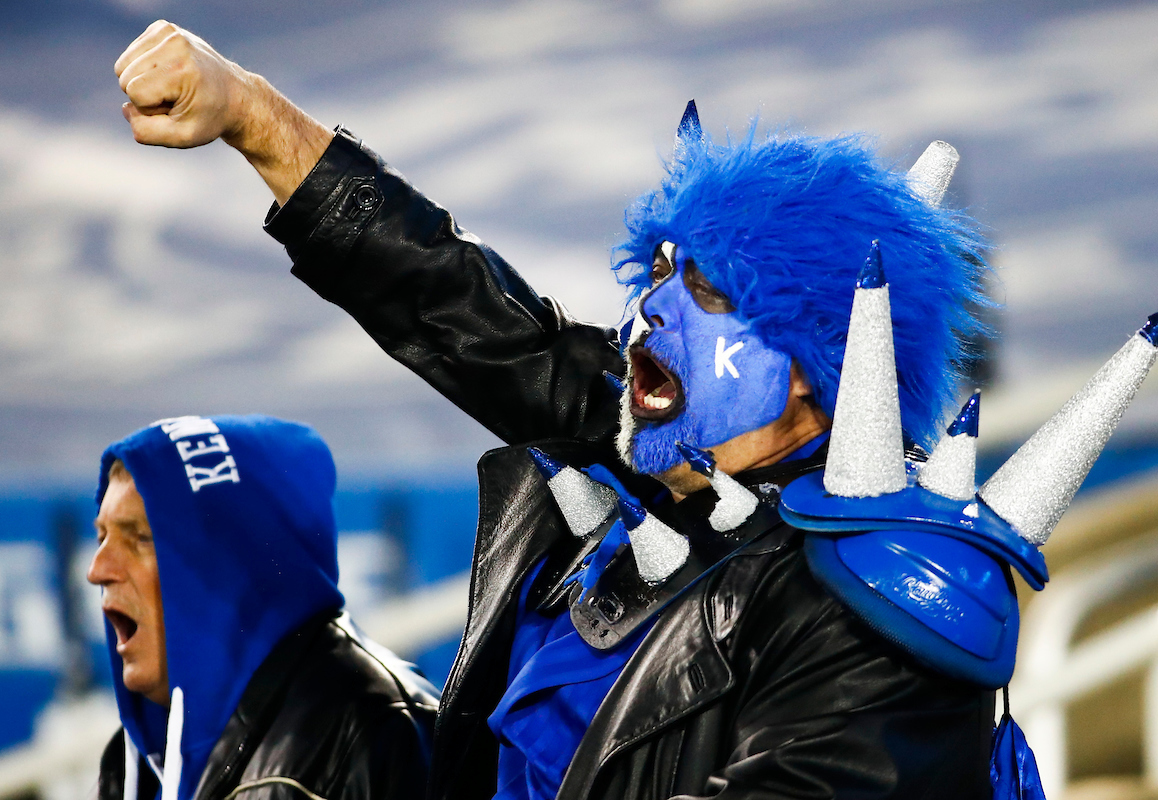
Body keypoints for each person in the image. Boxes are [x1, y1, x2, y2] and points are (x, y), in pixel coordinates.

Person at [112, 22, 1000, 799]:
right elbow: (452, 300)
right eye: (658, 271)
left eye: (708, 291)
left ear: (816, 364)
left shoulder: (885, 600)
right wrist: (251, 115)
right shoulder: (654, 462)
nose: (654, 309)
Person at [89, 414, 438, 800]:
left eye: (140, 538)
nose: (97, 570)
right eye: (102, 536)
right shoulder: (133, 764)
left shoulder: (377, 735)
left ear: (232, 565)